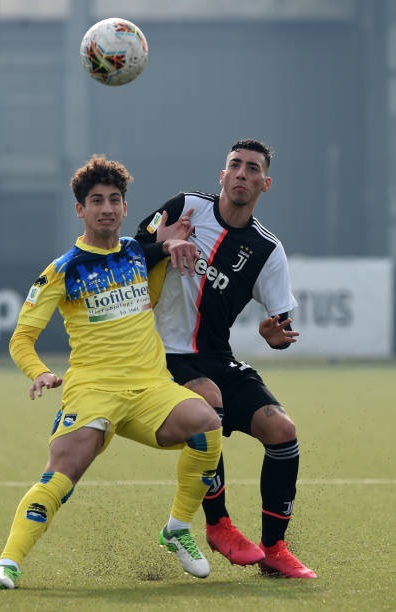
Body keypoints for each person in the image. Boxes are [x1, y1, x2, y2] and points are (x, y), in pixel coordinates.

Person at [0, 154, 222, 589]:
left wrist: (167, 245)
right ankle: (7, 564)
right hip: (93, 388)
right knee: (62, 473)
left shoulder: (136, 253)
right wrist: (39, 372)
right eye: (96, 200)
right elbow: (21, 339)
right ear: (80, 209)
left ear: (126, 208)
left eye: (114, 199)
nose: (106, 208)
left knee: (206, 423)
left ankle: (178, 529)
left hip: (150, 388)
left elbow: (158, 269)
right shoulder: (63, 269)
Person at [135, 139, 317, 578]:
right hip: (161, 353)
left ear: (265, 183)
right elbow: (127, 255)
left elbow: (281, 325)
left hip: (215, 355)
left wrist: (274, 336)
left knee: (282, 429)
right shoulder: (186, 207)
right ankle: (218, 524)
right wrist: (163, 245)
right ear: (222, 175)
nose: (242, 173)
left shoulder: (267, 250)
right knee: (208, 401)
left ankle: (274, 549)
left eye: (252, 168)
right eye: (234, 165)